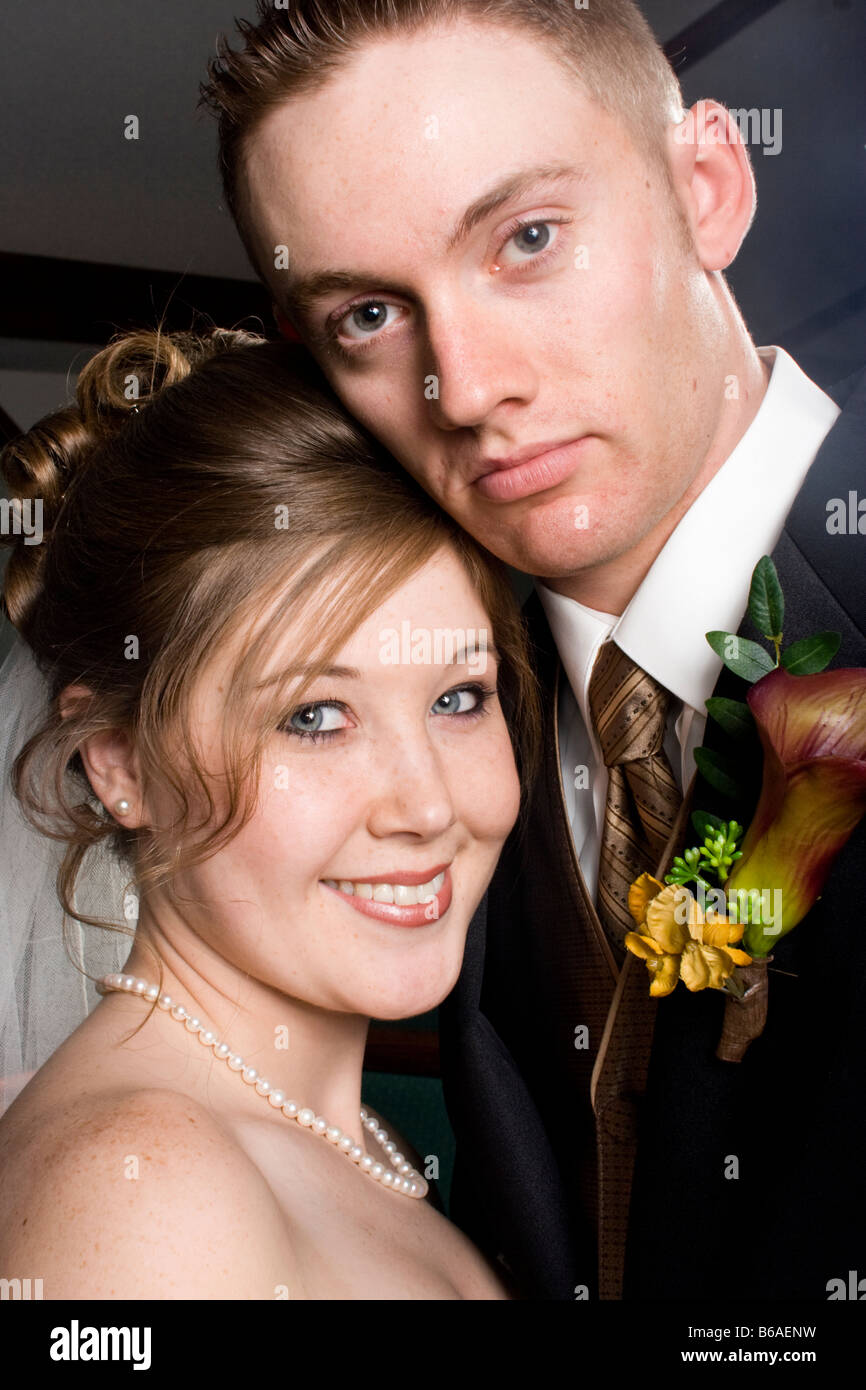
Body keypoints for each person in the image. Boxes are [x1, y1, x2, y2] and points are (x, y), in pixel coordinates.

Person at [198, 0, 866, 1299]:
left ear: (708, 186)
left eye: (526, 238)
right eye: (370, 316)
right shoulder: (443, 723)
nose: (466, 385)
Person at [0, 326, 541, 1299]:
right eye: (315, 716)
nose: (426, 804)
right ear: (117, 759)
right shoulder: (148, 1196)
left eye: (458, 697)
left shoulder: (341, 1135)